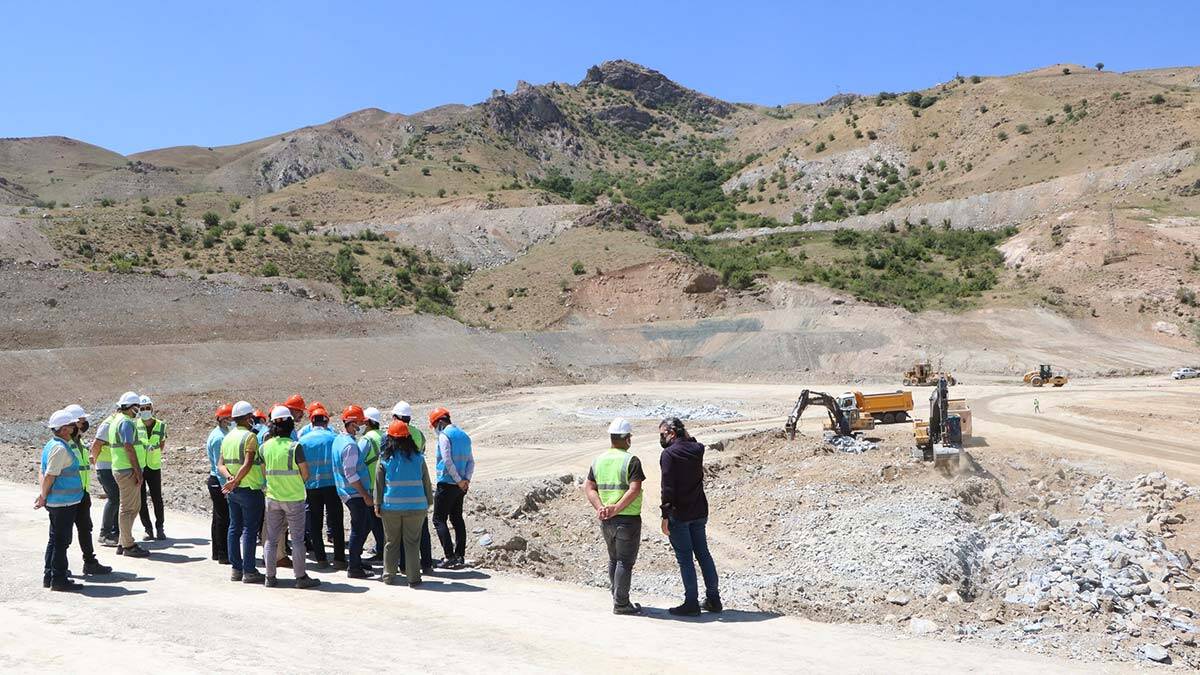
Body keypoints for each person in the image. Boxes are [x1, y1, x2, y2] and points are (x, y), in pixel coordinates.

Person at [659, 416, 721, 616]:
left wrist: (665, 515)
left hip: (679, 513)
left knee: (685, 559)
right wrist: (684, 434)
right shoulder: (697, 449)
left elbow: (667, 488)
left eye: (662, 434)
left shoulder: (669, 454)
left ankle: (691, 603)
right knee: (703, 554)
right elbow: (694, 441)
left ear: (671, 433)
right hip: (699, 510)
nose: (661, 438)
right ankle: (714, 599)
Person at [584, 418, 645, 615]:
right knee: (624, 562)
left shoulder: (598, 460)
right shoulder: (631, 460)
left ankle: (616, 596)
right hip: (627, 519)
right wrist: (617, 508)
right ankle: (621, 603)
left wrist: (600, 508)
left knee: (614, 559)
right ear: (627, 438)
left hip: (607, 520)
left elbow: (589, 487)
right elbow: (635, 489)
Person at [260, 406, 320, 589]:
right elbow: (305, 474)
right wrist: (294, 483)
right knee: (297, 539)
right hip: (294, 498)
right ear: (290, 425)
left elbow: (264, 473)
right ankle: (300, 577)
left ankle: (270, 577)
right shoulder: (295, 447)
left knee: (271, 539)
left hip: (272, 498)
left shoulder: (265, 447)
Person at [374, 420, 433, 587]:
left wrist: (377, 504)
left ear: (390, 438)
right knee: (412, 543)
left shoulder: (385, 459)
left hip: (390, 508)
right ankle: (413, 578)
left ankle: (388, 576)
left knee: (391, 542)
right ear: (408, 437)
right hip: (416, 508)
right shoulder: (419, 458)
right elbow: (426, 482)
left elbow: (378, 485)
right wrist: (429, 501)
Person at [39, 409, 86, 592]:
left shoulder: (52, 445)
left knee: (54, 539)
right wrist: (43, 496)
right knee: (61, 541)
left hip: (59, 501)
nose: (76, 428)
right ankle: (59, 579)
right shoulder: (60, 448)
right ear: (65, 429)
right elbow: (50, 475)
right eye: (73, 425)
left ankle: (50, 576)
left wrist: (44, 495)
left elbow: (44, 472)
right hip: (63, 503)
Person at [219, 400, 266, 584]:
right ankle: (249, 570)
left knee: (234, 528)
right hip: (249, 489)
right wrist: (235, 480)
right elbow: (248, 463)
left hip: (234, 490)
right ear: (247, 418)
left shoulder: (227, 437)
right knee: (249, 530)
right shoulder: (250, 437)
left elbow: (220, 465)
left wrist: (230, 480)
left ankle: (236, 569)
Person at [63, 405, 112, 577]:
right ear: (73, 423)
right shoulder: (65, 444)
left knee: (85, 528)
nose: (85, 423)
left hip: (82, 492)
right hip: (68, 495)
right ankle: (58, 568)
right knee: (63, 534)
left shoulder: (80, 442)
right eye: (82, 421)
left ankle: (90, 562)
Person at [332, 405, 375, 578]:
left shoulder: (339, 440)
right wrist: (365, 494)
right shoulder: (349, 446)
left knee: (365, 524)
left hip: (347, 491)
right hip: (355, 493)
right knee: (359, 527)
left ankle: (355, 559)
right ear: (351, 424)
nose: (362, 426)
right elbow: (351, 474)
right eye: (359, 423)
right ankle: (354, 567)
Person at [301, 406, 345, 569]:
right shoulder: (335, 438)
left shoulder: (303, 440)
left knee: (315, 523)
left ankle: (321, 558)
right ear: (326, 421)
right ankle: (339, 559)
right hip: (333, 486)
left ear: (312, 422)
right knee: (336, 522)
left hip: (312, 486)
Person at [106, 392, 150, 558]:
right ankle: (128, 545)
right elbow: (128, 447)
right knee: (128, 508)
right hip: (127, 470)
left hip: (122, 468)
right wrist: (137, 471)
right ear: (131, 407)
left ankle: (123, 541)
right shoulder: (125, 422)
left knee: (132, 507)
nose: (139, 410)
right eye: (137, 407)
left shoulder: (117, 420)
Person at [429, 407, 473, 570]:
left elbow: (447, 461)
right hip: (460, 486)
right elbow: (471, 461)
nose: (435, 429)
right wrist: (465, 480)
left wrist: (458, 480)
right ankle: (460, 555)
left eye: (435, 425)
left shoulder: (444, 436)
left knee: (438, 519)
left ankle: (449, 556)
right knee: (457, 518)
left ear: (440, 422)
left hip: (447, 483)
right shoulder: (464, 436)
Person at [392, 402, 433, 573]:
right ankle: (427, 563)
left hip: (399, 490)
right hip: (418, 487)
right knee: (423, 529)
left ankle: (404, 565)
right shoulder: (419, 434)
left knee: (403, 532)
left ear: (396, 417)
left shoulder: (393, 433)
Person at [136, 395, 168, 541]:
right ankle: (148, 529)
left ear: (152, 408)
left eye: (147, 408)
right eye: (142, 408)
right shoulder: (135, 425)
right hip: (140, 466)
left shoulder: (161, 425)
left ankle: (160, 527)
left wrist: (154, 451)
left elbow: (162, 443)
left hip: (154, 466)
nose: (145, 410)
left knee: (157, 498)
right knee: (141, 499)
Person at [89, 409, 122, 547]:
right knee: (114, 498)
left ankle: (115, 532)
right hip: (105, 467)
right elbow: (96, 445)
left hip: (113, 466)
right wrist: (96, 462)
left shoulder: (118, 422)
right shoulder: (108, 424)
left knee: (117, 499)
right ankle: (105, 533)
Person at [205, 403, 233, 564]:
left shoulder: (222, 433)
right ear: (223, 419)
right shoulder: (219, 438)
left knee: (218, 517)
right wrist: (226, 486)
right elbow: (219, 465)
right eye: (230, 418)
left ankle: (217, 552)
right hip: (219, 481)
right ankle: (223, 554)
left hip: (217, 480)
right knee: (223, 519)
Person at [360, 407, 386, 561]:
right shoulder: (384, 436)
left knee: (373, 520)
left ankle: (381, 551)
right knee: (381, 520)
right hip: (385, 484)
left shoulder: (366, 440)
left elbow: (357, 461)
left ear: (368, 422)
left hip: (370, 485)